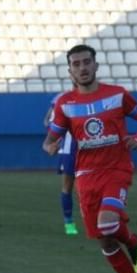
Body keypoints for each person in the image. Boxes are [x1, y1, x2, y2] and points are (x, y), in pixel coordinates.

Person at [42, 45, 137, 273]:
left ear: (96, 65)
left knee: (107, 224)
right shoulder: (65, 104)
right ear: (70, 70)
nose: (82, 68)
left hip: (116, 169)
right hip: (86, 176)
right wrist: (50, 147)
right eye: (76, 64)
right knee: (105, 241)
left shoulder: (117, 95)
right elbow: (50, 139)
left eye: (86, 62)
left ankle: (132, 240)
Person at [43, 94, 79, 235]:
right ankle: (69, 223)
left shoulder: (94, 96)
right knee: (67, 187)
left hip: (91, 149)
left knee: (93, 187)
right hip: (69, 148)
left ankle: (97, 221)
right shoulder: (61, 99)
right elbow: (49, 122)